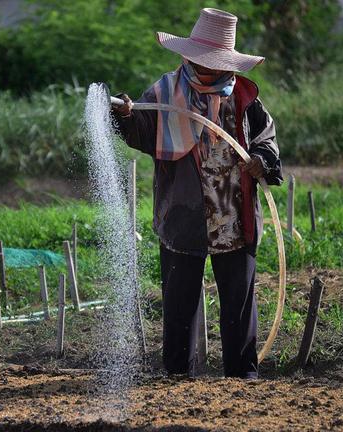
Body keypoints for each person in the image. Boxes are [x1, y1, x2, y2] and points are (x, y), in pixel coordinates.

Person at [111, 8, 283, 379]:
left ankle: (242, 378)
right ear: (186, 57)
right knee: (179, 305)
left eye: (213, 63)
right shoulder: (164, 92)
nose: (204, 69)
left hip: (234, 220)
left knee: (238, 306)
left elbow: (267, 141)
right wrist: (125, 114)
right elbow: (142, 127)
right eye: (199, 61)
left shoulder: (244, 99)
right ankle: (177, 377)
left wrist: (260, 161)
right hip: (183, 215)